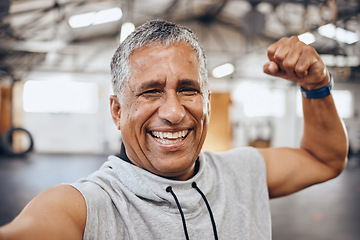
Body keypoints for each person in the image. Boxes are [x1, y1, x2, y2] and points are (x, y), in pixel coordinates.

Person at [0, 19, 348, 240]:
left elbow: (324, 158)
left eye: (188, 89)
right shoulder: (89, 205)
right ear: (117, 111)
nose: (173, 112)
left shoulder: (242, 172)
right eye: (151, 91)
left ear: (207, 101)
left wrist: (317, 86)